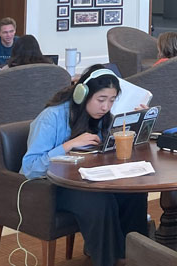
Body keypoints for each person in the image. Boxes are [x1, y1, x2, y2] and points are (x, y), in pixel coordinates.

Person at [20, 65, 147, 266]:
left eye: (112, 100)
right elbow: (29, 167)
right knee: (99, 201)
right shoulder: (51, 117)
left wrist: (138, 124)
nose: (106, 107)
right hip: (54, 187)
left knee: (134, 193)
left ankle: (134, 257)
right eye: (101, 100)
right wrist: (68, 145)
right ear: (82, 94)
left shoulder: (103, 118)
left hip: (89, 179)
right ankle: (107, 260)